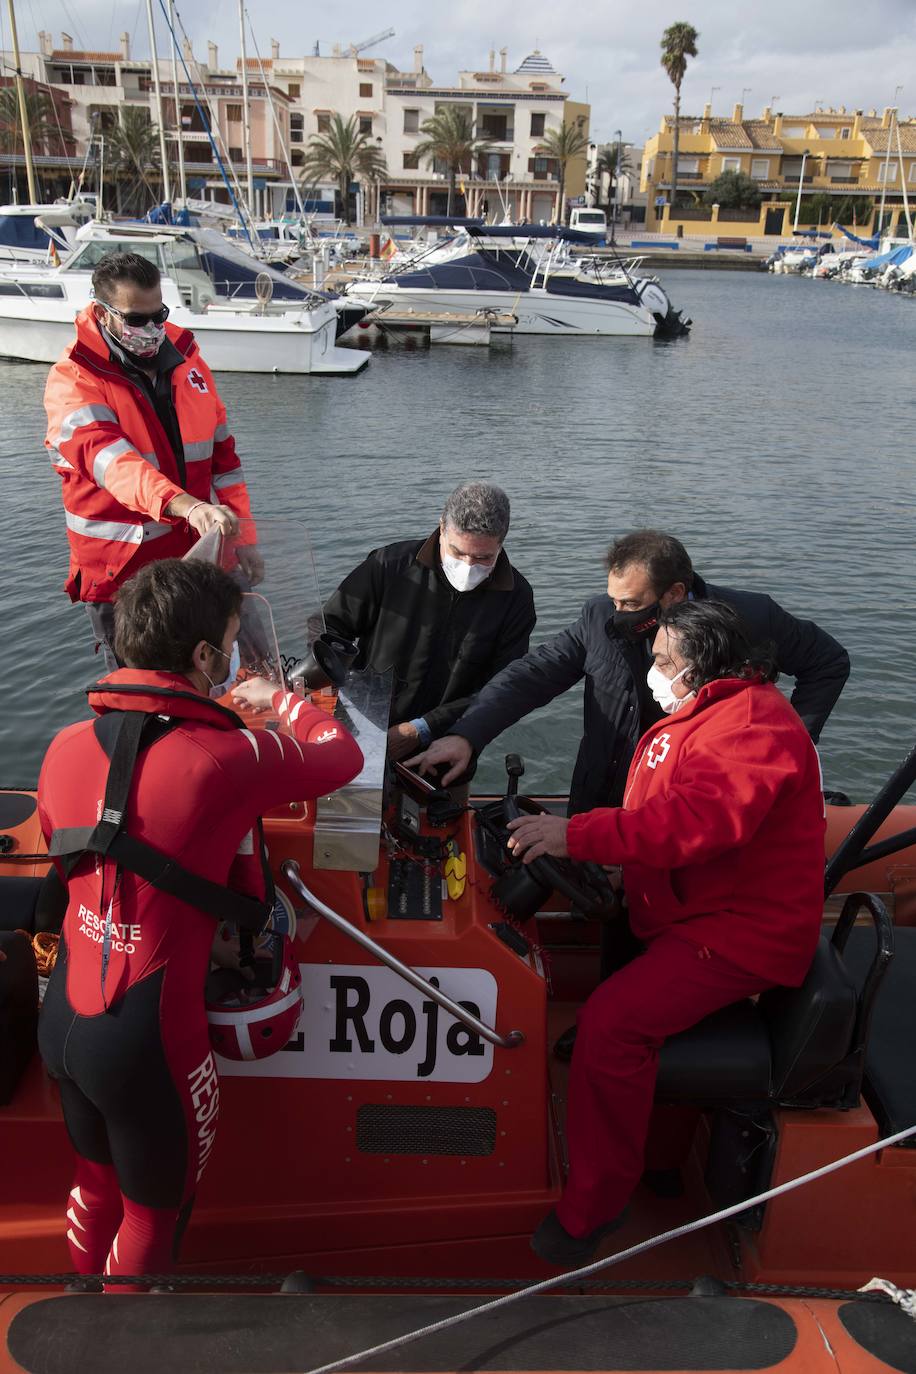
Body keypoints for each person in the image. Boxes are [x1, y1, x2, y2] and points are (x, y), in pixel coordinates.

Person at [37, 558, 363, 1288]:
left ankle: (79, 1308)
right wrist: (280, 699)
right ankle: (119, 1337)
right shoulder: (224, 757)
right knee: (152, 1217)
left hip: (62, 1019)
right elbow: (340, 755)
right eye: (231, 640)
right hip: (149, 1039)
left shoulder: (62, 746)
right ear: (207, 656)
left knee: (94, 1186)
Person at [506, 600, 827, 1266]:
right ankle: (656, 1159)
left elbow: (695, 821)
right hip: (699, 913)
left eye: (661, 661)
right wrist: (621, 869)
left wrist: (577, 835)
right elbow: (667, 811)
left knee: (611, 1023)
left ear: (701, 666)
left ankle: (596, 1206)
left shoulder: (754, 727)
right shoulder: (711, 713)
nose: (652, 671)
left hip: (741, 935)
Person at [409, 529, 849, 806]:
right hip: (603, 790)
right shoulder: (599, 619)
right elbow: (532, 676)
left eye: (631, 604)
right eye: (614, 599)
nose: (617, 613)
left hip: (688, 797)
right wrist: (468, 735)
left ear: (674, 594)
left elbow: (828, 663)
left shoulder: (752, 619)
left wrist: (787, 745)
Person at [44, 251, 262, 671]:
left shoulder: (188, 359)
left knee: (231, 669)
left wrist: (244, 538)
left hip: (195, 558)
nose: (150, 329)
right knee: (145, 692)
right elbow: (113, 463)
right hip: (122, 574)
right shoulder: (73, 380)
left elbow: (225, 461)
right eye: (136, 319)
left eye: (158, 315)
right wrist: (189, 506)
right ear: (102, 313)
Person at [323, 482, 536, 762]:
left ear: (502, 542)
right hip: (364, 726)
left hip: (446, 746)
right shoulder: (389, 565)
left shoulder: (516, 598)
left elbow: (503, 684)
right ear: (442, 528)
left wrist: (423, 728)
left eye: (483, 558)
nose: (468, 566)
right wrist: (335, 683)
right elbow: (329, 627)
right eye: (457, 552)